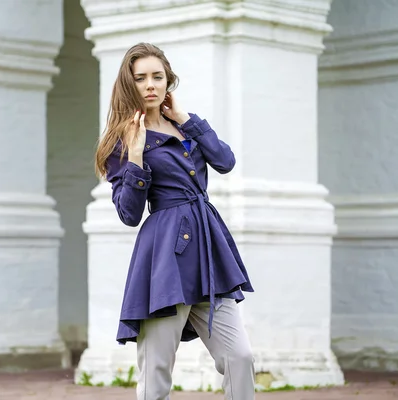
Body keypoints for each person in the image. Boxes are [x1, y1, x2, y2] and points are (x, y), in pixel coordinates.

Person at [94, 42, 256, 400]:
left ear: (168, 81)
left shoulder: (185, 127)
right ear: (129, 84)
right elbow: (129, 214)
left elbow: (225, 161)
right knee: (156, 370)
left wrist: (186, 121)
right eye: (141, 78)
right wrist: (136, 158)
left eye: (158, 76)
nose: (150, 84)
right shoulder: (123, 142)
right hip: (165, 257)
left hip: (208, 249)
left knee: (240, 356)